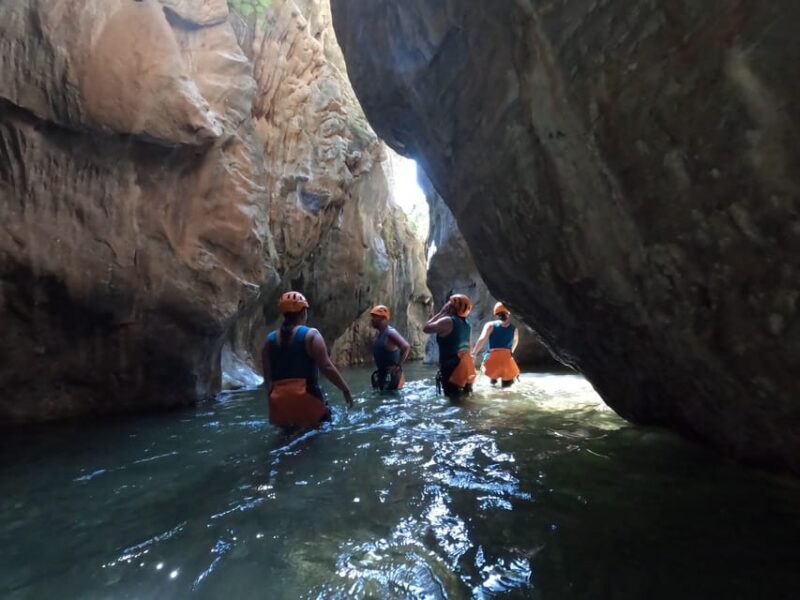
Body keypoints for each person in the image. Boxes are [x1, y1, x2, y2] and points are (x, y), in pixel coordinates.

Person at [261, 291, 353, 430]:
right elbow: (326, 367)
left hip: (280, 403)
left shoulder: (269, 340)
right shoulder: (311, 335)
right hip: (307, 399)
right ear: (303, 312)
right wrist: (345, 390)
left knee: (287, 438)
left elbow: (268, 378)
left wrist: (273, 401)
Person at [423, 294, 477, 399]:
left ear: (451, 307)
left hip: (451, 367)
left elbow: (426, 328)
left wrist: (442, 312)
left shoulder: (447, 321)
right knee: (466, 397)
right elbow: (468, 348)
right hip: (467, 366)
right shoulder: (468, 325)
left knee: (453, 400)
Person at [472, 302, 521, 388]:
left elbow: (482, 339)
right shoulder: (514, 329)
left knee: (492, 385)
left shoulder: (490, 325)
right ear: (508, 314)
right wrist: (510, 352)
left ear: (496, 314)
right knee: (507, 388)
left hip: (493, 359)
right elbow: (515, 341)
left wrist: (474, 353)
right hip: (507, 360)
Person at [369, 305, 411, 391]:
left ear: (383, 319)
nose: (372, 319)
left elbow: (406, 346)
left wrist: (398, 365)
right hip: (383, 375)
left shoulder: (390, 333)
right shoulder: (380, 334)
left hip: (393, 377)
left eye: (375, 317)